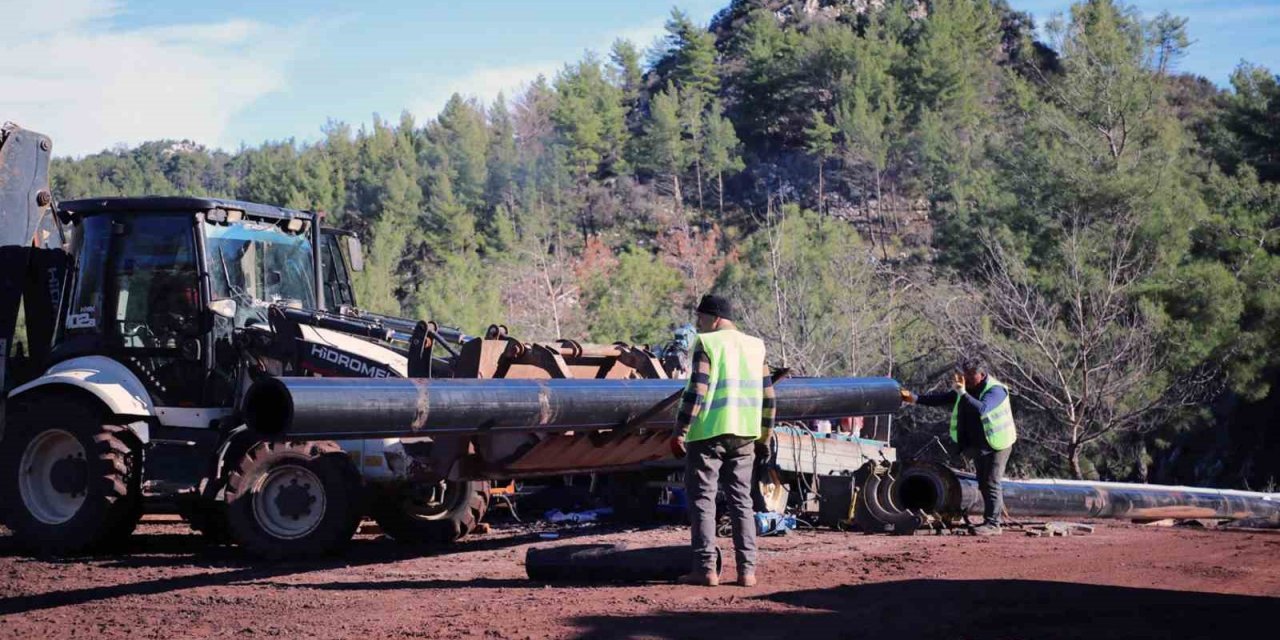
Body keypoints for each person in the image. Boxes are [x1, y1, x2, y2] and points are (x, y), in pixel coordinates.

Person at [671, 294, 776, 587]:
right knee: (741, 501)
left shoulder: (707, 344)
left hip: (707, 434)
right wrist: (764, 437)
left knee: (703, 500)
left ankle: (705, 569)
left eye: (701, 319)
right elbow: (769, 397)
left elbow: (697, 392)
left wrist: (680, 431)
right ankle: (747, 571)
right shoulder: (756, 347)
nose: (699, 325)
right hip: (745, 435)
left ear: (714, 317)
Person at [901, 358, 1017, 535]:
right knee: (983, 483)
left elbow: (983, 408)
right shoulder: (966, 388)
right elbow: (941, 399)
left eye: (971, 377)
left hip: (998, 443)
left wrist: (962, 393)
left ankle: (993, 524)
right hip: (980, 444)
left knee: (992, 481)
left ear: (982, 375)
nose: (967, 380)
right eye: (966, 376)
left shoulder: (996, 390)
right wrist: (914, 399)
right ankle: (991, 521)